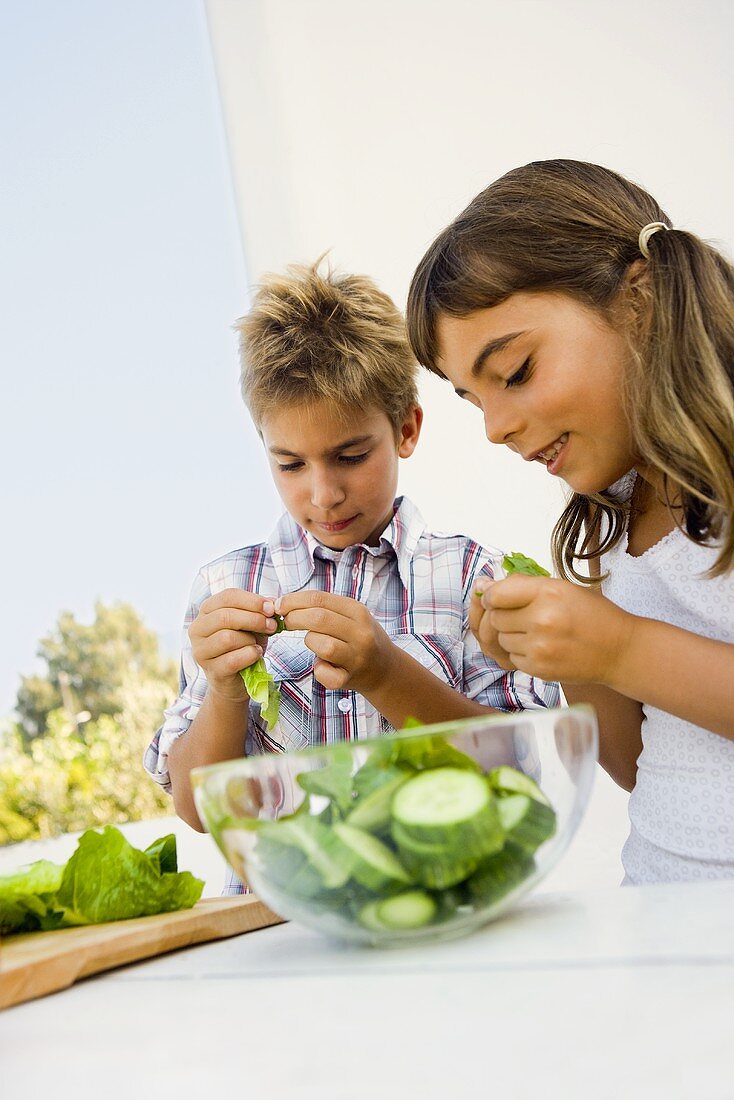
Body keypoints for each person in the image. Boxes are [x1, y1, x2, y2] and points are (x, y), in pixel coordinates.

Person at [144, 260, 560, 890]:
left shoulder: (472, 576)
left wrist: (386, 673)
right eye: (290, 465)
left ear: (407, 429)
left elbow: (514, 771)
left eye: (350, 456)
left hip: (442, 911)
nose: (323, 493)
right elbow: (199, 809)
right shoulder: (225, 586)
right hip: (281, 936)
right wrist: (226, 690)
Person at [406, 158, 734, 885]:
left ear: (639, 303)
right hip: (663, 918)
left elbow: (637, 654)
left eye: (515, 371)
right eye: (472, 398)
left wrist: (621, 648)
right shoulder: (612, 524)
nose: (494, 428)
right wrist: (575, 660)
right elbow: (634, 766)